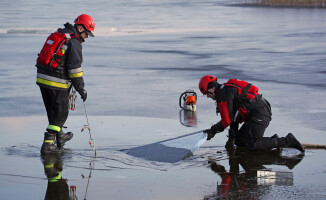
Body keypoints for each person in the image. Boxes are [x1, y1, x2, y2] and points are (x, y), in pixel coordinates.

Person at [36, 14, 95, 154]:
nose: (86, 37)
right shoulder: (74, 42)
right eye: (86, 33)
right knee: (61, 114)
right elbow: (75, 71)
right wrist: (81, 89)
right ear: (80, 28)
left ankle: (60, 136)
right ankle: (48, 144)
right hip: (56, 81)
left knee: (53, 112)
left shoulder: (60, 34)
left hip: (42, 78)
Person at [199, 75, 304, 152]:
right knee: (239, 141)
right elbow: (233, 118)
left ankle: (287, 140)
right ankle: (273, 140)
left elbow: (226, 121)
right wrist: (232, 139)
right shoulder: (227, 90)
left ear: (212, 88)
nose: (207, 96)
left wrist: (212, 131)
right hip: (258, 111)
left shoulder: (223, 95)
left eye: (207, 93)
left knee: (252, 144)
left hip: (259, 113)